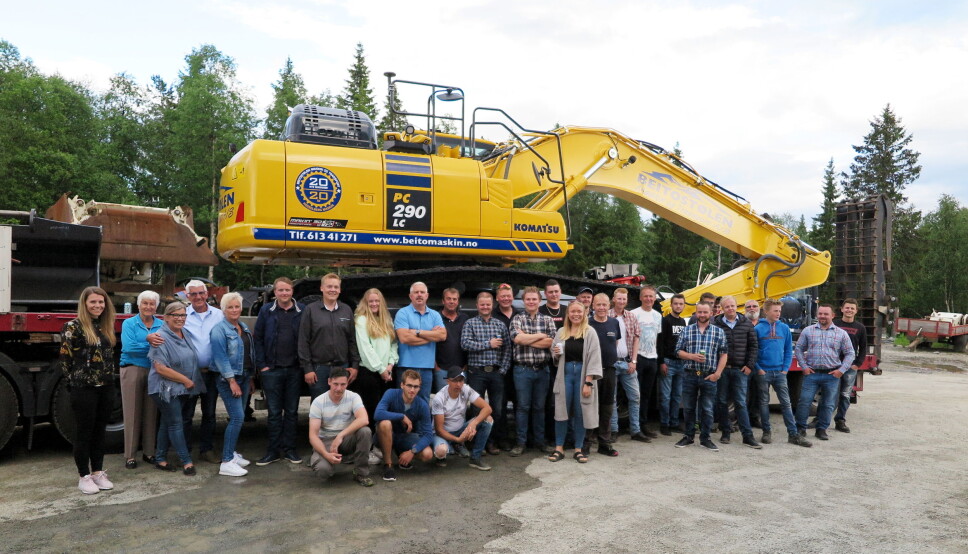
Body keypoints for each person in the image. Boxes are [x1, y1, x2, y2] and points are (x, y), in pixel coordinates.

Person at [158, 279, 224, 464]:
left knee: (209, 413)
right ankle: (184, 451)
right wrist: (151, 336)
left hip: (212, 372)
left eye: (201, 293)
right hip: (189, 373)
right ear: (187, 296)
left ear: (207, 294)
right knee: (186, 414)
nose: (198, 297)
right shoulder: (182, 315)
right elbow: (166, 329)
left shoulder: (218, 315)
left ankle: (207, 449)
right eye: (193, 294)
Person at [60, 286, 118, 494]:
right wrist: (73, 383)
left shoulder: (105, 326)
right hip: (83, 388)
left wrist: (109, 381)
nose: (98, 305)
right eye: (93, 302)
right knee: (84, 432)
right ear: (84, 304)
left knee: (99, 432)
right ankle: (83, 476)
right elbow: (65, 360)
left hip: (106, 387)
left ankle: (98, 472)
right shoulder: (72, 327)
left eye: (101, 302)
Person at [149, 302, 206, 476]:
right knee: (176, 423)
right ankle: (186, 461)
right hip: (165, 388)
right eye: (176, 315)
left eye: (183, 315)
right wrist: (186, 380)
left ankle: (160, 458)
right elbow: (160, 368)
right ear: (166, 318)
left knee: (168, 422)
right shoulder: (160, 337)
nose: (180, 318)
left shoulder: (185, 333)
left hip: (181, 388)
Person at [253, 277, 305, 466]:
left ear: (292, 292)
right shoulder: (266, 311)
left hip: (294, 369)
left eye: (287, 290)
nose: (284, 293)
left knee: (291, 412)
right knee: (274, 412)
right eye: (280, 290)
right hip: (272, 370)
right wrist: (262, 365)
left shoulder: (301, 311)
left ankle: (290, 449)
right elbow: (257, 338)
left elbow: (307, 338)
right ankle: (273, 451)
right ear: (275, 292)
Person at [548, 302, 602, 464]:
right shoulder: (561, 332)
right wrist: (556, 354)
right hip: (565, 376)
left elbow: (594, 358)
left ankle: (578, 449)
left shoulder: (590, 332)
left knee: (580, 412)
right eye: (573, 311)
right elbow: (554, 354)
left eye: (579, 311)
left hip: (582, 375)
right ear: (568, 314)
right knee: (561, 413)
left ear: (584, 313)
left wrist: (589, 383)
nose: (576, 314)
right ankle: (559, 448)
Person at [754, 299, 811, 447]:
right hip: (763, 372)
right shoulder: (758, 329)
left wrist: (785, 369)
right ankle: (766, 432)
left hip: (780, 372)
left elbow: (788, 350)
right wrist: (758, 368)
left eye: (779, 311)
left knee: (786, 403)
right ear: (766, 311)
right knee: (763, 403)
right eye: (775, 311)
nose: (778, 313)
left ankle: (793, 434)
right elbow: (752, 352)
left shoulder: (784, 328)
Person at [210, 292, 256, 476]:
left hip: (244, 377)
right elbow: (220, 358)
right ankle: (227, 461)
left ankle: (232, 454)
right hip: (229, 379)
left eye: (237, 306)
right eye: (230, 307)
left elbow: (248, 354)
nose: (235, 310)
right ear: (223, 310)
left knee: (240, 417)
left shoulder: (242, 326)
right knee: (237, 417)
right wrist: (231, 381)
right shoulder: (219, 330)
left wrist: (251, 378)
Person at [461, 291, 512, 455]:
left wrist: (503, 369)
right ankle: (479, 444)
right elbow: (465, 344)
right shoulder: (470, 324)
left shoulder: (500, 325)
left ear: (492, 305)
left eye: (488, 304)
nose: (485, 307)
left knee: (497, 409)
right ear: (477, 306)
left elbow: (507, 350)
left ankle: (492, 442)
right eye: (482, 304)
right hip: (477, 373)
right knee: (477, 410)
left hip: (496, 373)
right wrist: (488, 344)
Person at [794, 304, 854, 441]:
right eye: (820, 313)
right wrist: (804, 366)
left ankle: (821, 429)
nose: (822, 316)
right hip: (812, 374)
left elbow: (850, 353)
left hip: (831, 375)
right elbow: (798, 349)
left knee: (828, 404)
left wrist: (841, 370)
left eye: (826, 314)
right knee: (804, 401)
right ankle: (800, 428)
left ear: (833, 315)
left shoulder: (841, 333)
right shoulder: (808, 331)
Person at [674, 302, 728, 451]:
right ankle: (689, 436)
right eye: (700, 312)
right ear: (696, 313)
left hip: (709, 376)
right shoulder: (687, 330)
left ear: (711, 313)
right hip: (689, 375)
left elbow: (724, 355)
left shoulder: (718, 332)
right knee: (689, 408)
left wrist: (717, 374)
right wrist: (691, 356)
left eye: (705, 312)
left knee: (708, 409)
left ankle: (706, 438)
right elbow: (678, 351)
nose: (702, 315)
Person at [307, 367, 373, 487]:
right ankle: (326, 459)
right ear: (329, 382)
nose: (339, 388)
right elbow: (312, 435)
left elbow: (364, 419)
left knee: (365, 431)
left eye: (343, 384)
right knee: (323, 472)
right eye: (335, 384)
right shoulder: (318, 402)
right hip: (325, 441)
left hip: (345, 439)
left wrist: (341, 435)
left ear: (347, 383)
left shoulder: (353, 397)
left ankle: (361, 473)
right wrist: (326, 455)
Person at [509, 286, 556, 456]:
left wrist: (527, 339)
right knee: (522, 407)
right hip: (523, 370)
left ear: (539, 301)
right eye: (528, 299)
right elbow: (517, 338)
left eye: (534, 299)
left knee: (539, 407)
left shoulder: (548, 320)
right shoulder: (517, 318)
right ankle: (521, 442)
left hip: (542, 370)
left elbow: (551, 342)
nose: (531, 302)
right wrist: (540, 336)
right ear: (523, 301)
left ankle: (540, 442)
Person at [298, 273, 359, 401]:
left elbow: (352, 340)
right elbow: (303, 341)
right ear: (322, 288)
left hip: (342, 367)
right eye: (329, 286)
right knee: (319, 404)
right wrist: (307, 368)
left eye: (336, 287)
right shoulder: (311, 310)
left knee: (341, 404)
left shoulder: (346, 310)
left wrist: (354, 366)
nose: (333, 290)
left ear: (340, 289)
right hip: (319, 368)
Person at [120, 290, 162, 469]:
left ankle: (149, 452)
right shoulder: (129, 323)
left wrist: (149, 345)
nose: (148, 307)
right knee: (132, 413)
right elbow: (129, 347)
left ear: (156, 306)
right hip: (133, 368)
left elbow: (165, 346)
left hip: (155, 370)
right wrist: (150, 340)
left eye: (152, 304)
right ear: (138, 305)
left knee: (151, 413)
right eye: (145, 303)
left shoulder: (161, 324)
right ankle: (130, 455)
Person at [712, 296, 761, 449]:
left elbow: (754, 346)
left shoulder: (745, 323)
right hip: (723, 370)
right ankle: (725, 432)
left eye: (732, 306)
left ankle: (747, 436)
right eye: (727, 307)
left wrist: (749, 365)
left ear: (736, 306)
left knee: (740, 402)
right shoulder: (716, 324)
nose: (730, 309)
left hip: (740, 370)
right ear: (722, 308)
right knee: (721, 402)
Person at [375, 370, 435, 481]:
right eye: (409, 385)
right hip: (385, 435)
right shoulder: (391, 393)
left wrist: (413, 451)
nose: (412, 390)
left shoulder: (422, 405)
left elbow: (428, 435)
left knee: (428, 454)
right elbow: (377, 414)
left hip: (403, 437)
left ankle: (403, 456)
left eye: (416, 387)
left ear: (419, 387)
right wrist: (401, 416)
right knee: (385, 423)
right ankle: (388, 465)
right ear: (402, 385)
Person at [431, 366, 494, 470]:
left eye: (461, 380)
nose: (458, 384)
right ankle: (444, 453)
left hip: (460, 430)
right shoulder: (439, 398)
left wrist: (473, 424)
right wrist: (457, 439)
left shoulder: (466, 389)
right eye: (455, 381)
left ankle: (475, 458)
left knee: (488, 419)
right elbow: (439, 430)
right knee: (441, 451)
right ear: (448, 381)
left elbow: (487, 408)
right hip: (442, 434)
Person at [353, 288, 398, 431]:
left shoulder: (386, 319)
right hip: (369, 372)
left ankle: (383, 443)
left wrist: (390, 364)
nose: (374, 304)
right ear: (365, 303)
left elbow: (393, 343)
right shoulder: (361, 320)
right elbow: (365, 348)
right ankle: (370, 446)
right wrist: (380, 368)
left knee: (386, 410)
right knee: (372, 409)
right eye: (370, 301)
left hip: (387, 372)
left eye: (377, 301)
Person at [394, 281, 446, 403]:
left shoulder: (435, 315)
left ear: (427, 295)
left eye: (422, 292)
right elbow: (404, 338)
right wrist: (432, 336)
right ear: (410, 296)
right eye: (416, 292)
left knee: (423, 402)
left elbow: (443, 336)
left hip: (426, 368)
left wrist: (417, 332)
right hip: (406, 366)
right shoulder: (402, 313)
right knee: (403, 401)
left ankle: (421, 423)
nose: (419, 295)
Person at [608, 288, 649, 442]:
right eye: (619, 299)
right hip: (612, 363)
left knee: (635, 397)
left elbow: (636, 339)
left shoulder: (631, 316)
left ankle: (635, 430)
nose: (622, 302)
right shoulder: (606, 315)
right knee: (611, 399)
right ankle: (613, 430)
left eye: (624, 299)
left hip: (627, 362)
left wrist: (634, 360)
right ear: (614, 299)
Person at [586, 293, 621, 457]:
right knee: (589, 408)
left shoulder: (614, 322)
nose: (601, 308)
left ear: (609, 306)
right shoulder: (587, 323)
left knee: (607, 408)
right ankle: (585, 444)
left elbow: (615, 344)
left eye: (604, 305)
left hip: (609, 370)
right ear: (593, 305)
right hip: (591, 372)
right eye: (598, 305)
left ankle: (604, 444)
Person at [631, 285, 661, 438]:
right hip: (639, 358)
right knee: (636, 394)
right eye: (646, 296)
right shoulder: (633, 314)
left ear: (655, 298)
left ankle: (644, 424)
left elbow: (656, 337)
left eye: (651, 296)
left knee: (647, 394)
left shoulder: (657, 316)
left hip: (652, 358)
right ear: (640, 298)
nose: (649, 299)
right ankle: (635, 426)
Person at [833, 298, 867, 433]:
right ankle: (820, 418)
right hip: (834, 365)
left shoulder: (860, 328)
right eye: (847, 308)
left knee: (845, 395)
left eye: (852, 308)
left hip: (850, 367)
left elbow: (863, 348)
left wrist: (857, 364)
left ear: (856, 311)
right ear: (842, 309)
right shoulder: (834, 325)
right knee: (829, 394)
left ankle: (840, 420)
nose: (849, 310)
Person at [492, 283, 518, 451]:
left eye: (508, 296)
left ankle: (517, 437)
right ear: (497, 298)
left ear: (512, 297)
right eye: (502, 296)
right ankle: (500, 438)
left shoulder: (519, 314)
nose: (506, 298)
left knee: (520, 405)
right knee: (498, 407)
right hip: (499, 368)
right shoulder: (492, 315)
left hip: (518, 367)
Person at [656, 293, 687, 436]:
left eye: (681, 304)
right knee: (665, 396)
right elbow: (660, 343)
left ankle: (674, 422)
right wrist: (661, 362)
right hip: (668, 362)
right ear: (671, 305)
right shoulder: (665, 321)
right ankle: (664, 423)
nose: (678, 306)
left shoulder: (682, 322)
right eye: (676, 304)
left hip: (680, 363)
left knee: (677, 396)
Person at [435, 287, 469, 394]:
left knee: (459, 403)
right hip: (442, 369)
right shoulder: (436, 317)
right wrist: (435, 366)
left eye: (454, 299)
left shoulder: (465, 318)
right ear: (443, 301)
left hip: (461, 369)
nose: (452, 301)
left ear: (458, 301)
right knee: (443, 402)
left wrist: (466, 365)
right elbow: (430, 342)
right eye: (448, 299)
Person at [743, 299, 763, 428]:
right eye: (748, 306)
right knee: (743, 394)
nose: (752, 308)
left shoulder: (765, 324)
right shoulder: (741, 324)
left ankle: (754, 418)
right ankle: (742, 420)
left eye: (754, 306)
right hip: (744, 365)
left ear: (759, 308)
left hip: (760, 365)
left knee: (758, 394)